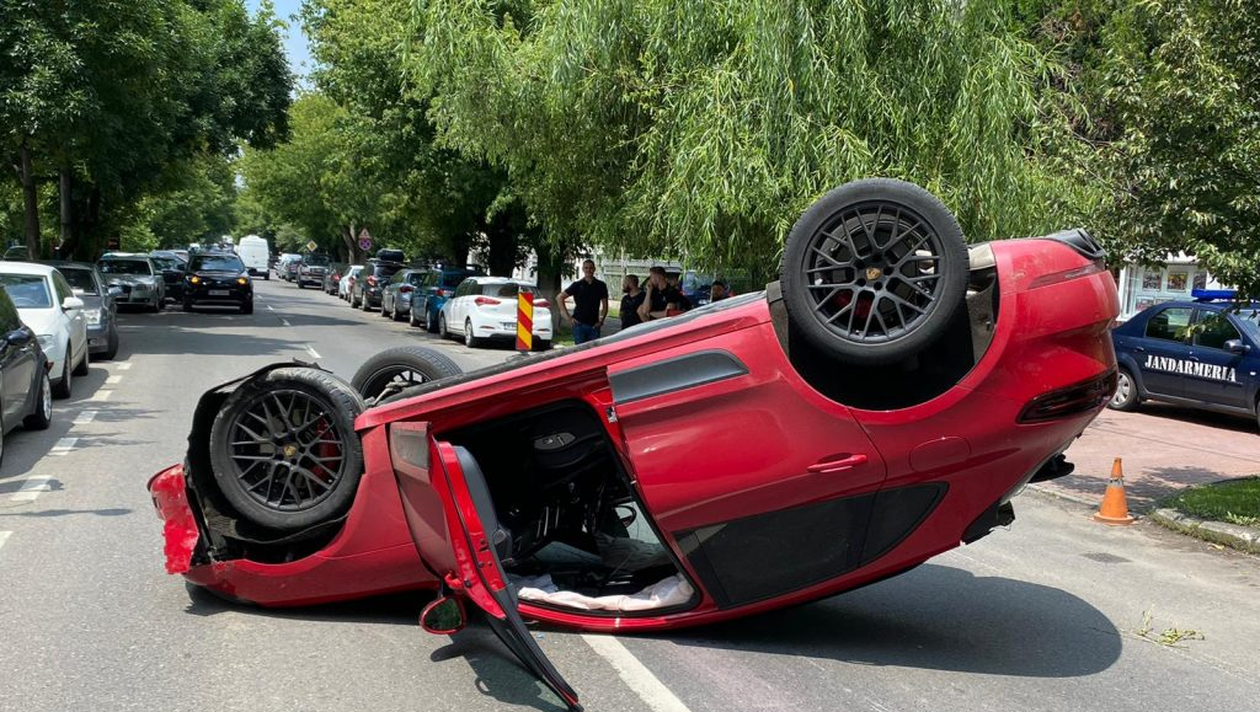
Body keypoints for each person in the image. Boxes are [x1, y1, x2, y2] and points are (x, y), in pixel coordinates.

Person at [557, 259, 609, 344]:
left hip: (594, 325)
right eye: (586, 268)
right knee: (580, 349)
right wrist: (568, 317)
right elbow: (559, 298)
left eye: (591, 268)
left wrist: (601, 320)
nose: (588, 270)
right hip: (579, 324)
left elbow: (605, 305)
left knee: (594, 350)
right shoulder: (577, 285)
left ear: (594, 269)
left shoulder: (601, 285)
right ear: (583, 269)